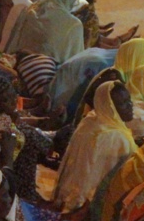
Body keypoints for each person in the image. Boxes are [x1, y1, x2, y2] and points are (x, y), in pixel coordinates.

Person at [54, 81, 138, 212]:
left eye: (129, 100)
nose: (130, 106)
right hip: (91, 205)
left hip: (69, 192)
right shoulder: (117, 137)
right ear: (109, 107)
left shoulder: (90, 119)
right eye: (122, 104)